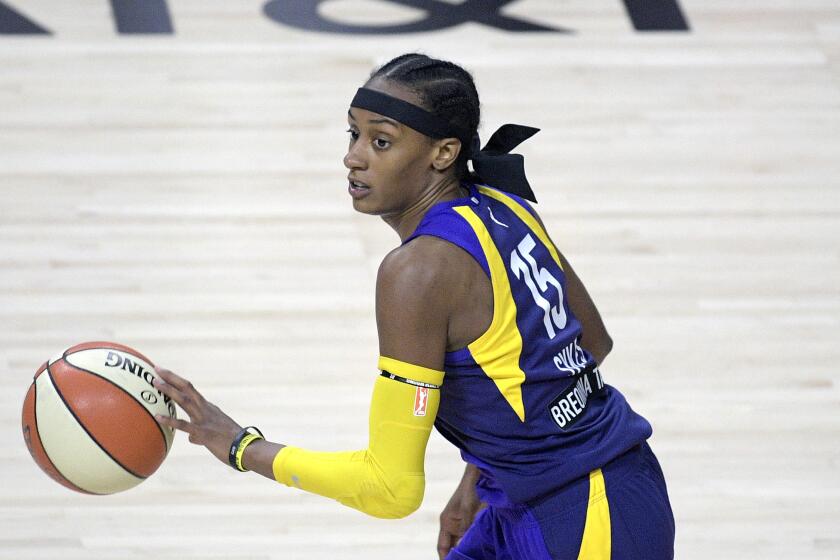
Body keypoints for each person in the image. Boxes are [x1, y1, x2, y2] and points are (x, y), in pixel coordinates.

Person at [152, 53, 675, 559]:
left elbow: (388, 488)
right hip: (578, 491)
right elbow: (590, 344)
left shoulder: (418, 272)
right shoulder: (501, 203)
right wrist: (480, 477)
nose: (354, 156)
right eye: (353, 134)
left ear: (443, 153)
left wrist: (240, 446)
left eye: (381, 141)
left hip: (586, 523)